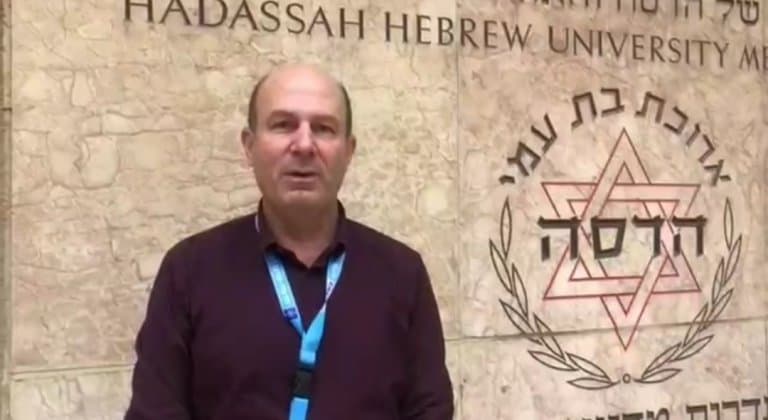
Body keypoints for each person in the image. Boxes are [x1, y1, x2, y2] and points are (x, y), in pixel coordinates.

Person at [124, 63, 454, 420]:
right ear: (249, 146)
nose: (304, 145)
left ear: (349, 151)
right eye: (283, 125)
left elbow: (430, 411)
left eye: (324, 128)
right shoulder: (189, 270)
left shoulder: (402, 274)